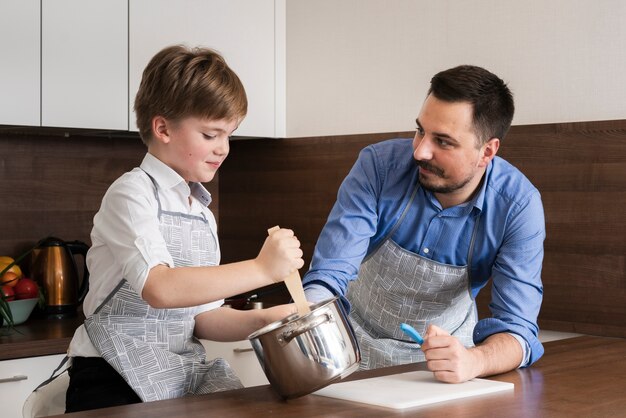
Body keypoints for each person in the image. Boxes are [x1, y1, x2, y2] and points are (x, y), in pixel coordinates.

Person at [64, 45, 304, 412]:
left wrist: (265, 319)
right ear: (162, 128)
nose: (223, 148)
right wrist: (260, 269)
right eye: (211, 135)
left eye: (229, 135)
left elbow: (201, 319)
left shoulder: (201, 212)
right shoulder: (131, 193)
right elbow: (159, 288)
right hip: (111, 375)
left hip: (179, 372)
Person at [302, 65, 545, 383]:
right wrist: (305, 317)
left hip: (441, 371)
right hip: (349, 353)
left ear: (487, 151)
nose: (420, 151)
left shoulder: (518, 207)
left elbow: (518, 330)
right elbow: (328, 275)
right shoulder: (378, 167)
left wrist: (473, 361)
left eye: (443, 142)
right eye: (420, 130)